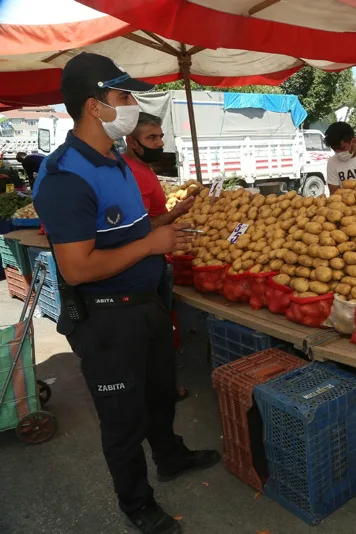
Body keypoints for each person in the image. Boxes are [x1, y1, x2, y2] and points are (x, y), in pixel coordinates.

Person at [32, 52, 219, 534]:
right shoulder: (66, 176)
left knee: (160, 396)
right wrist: (151, 247)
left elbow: (131, 231)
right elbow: (76, 268)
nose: (133, 106)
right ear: (94, 106)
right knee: (122, 419)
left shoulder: (115, 161)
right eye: (123, 96)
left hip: (145, 306)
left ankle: (171, 457)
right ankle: (136, 503)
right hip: (107, 320)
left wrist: (167, 227)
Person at [122, 112, 193, 402]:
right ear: (132, 141)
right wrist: (177, 213)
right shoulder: (132, 173)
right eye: (151, 138)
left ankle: (159, 388)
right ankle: (158, 392)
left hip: (152, 263)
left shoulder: (141, 167)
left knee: (157, 331)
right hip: (142, 266)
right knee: (151, 336)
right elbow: (139, 229)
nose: (159, 143)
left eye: (161, 136)